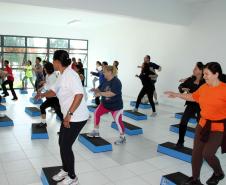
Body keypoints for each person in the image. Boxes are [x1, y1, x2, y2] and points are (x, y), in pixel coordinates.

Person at [165, 62, 226, 185]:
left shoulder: (224, 89)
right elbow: (193, 97)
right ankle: (195, 178)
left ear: (216, 74)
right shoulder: (204, 88)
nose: (204, 76)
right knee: (196, 153)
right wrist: (176, 94)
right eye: (204, 74)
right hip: (203, 125)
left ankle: (218, 173)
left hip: (218, 127)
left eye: (207, 74)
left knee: (208, 153)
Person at [36, 50, 89, 185]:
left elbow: (79, 95)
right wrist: (42, 95)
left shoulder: (71, 75)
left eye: (53, 61)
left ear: (57, 62)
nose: (52, 63)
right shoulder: (62, 75)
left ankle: (72, 177)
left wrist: (69, 115)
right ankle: (66, 170)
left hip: (77, 117)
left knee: (65, 146)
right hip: (70, 116)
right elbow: (54, 91)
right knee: (62, 144)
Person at [87, 65, 126, 145]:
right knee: (96, 113)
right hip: (105, 104)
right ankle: (96, 131)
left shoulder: (116, 82)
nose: (103, 73)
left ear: (110, 72)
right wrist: (95, 90)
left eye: (104, 71)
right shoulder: (105, 80)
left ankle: (122, 137)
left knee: (118, 121)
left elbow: (111, 94)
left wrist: (100, 93)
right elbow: (100, 88)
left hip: (116, 106)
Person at [176, 62, 205, 148]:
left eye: (195, 68)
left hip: (201, 106)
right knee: (183, 121)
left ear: (201, 70)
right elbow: (180, 86)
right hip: (191, 104)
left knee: (201, 125)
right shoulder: (191, 79)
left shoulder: (205, 81)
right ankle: (180, 141)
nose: (193, 70)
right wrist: (182, 88)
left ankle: (203, 144)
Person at [36, 62, 63, 128]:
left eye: (45, 69)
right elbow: (47, 83)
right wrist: (41, 88)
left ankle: (65, 127)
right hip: (49, 97)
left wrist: (42, 91)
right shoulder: (48, 75)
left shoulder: (52, 76)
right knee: (57, 112)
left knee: (59, 113)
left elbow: (49, 87)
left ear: (48, 69)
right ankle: (43, 123)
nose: (44, 70)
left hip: (54, 97)